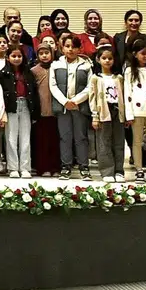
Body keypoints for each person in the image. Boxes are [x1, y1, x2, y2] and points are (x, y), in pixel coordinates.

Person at [50, 33, 91, 180]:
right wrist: (65, 101)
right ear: (62, 48)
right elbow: (53, 85)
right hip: (63, 107)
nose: (70, 49)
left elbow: (90, 86)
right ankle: (66, 166)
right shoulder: (56, 65)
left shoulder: (86, 65)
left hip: (79, 107)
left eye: (74, 47)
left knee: (81, 137)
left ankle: (84, 167)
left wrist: (76, 101)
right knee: (65, 137)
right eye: (67, 46)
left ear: (79, 48)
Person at [87, 45, 126, 183]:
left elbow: (124, 96)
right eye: (104, 58)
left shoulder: (119, 77)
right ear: (98, 60)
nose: (107, 61)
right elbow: (92, 98)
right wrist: (95, 116)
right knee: (104, 142)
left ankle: (119, 171)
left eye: (110, 58)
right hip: (103, 111)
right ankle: (107, 171)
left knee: (119, 142)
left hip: (118, 111)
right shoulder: (95, 78)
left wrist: (125, 114)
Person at [123, 39, 146, 180]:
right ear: (135, 54)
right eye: (143, 53)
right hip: (136, 111)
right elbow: (127, 93)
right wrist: (129, 114)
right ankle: (138, 168)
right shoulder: (129, 71)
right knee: (137, 142)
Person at [3, 45, 38, 178]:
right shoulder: (2, 74)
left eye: (19, 56)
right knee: (11, 138)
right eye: (13, 56)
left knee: (25, 138)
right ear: (8, 57)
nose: (17, 58)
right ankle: (12, 168)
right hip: (11, 107)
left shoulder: (28, 73)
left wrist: (35, 112)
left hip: (25, 106)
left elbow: (34, 93)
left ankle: (25, 167)